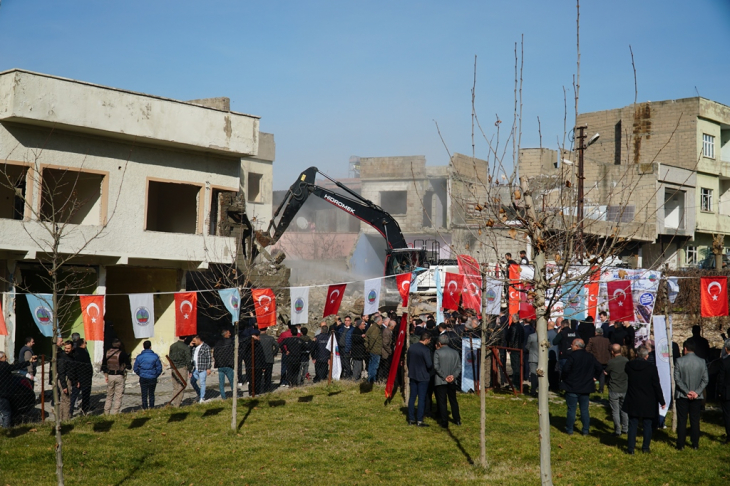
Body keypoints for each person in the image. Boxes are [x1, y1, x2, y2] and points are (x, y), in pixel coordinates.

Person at [622, 346, 665, 454]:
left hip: (633, 398)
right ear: (647, 356)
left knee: (633, 424)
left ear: (637, 355)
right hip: (648, 399)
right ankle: (645, 447)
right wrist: (662, 401)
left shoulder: (629, 366)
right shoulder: (651, 368)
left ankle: (630, 448)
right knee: (647, 424)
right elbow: (656, 385)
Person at [560, 339, 602, 435]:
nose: (571, 346)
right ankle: (585, 430)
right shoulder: (590, 356)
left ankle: (570, 429)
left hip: (572, 386)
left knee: (572, 409)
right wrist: (595, 377)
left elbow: (565, 370)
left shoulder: (572, 356)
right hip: (585, 386)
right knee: (584, 409)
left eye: (572, 344)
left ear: (576, 346)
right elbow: (599, 367)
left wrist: (565, 378)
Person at [674, 338, 709, 450]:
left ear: (685, 349)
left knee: (682, 420)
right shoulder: (702, 361)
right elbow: (705, 380)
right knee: (695, 420)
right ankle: (695, 444)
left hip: (683, 395)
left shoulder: (679, 361)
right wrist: (697, 392)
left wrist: (686, 391)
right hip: (696, 396)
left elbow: (677, 379)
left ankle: (681, 444)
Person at [0, 351, 37, 428]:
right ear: (1, 358)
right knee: (7, 413)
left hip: (3, 394)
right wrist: (28, 362)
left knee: (4, 412)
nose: (6, 358)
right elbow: (16, 367)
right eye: (4, 356)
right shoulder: (3, 366)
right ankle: (6, 429)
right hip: (4, 394)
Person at [434, 334, 461, 428]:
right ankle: (457, 419)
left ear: (439, 343)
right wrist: (453, 376)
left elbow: (436, 366)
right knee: (453, 400)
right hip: (452, 380)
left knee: (442, 401)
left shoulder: (437, 352)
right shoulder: (455, 352)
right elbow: (459, 367)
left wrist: (444, 376)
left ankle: (444, 421)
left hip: (441, 380)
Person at [407, 332, 433, 427]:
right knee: (421, 398)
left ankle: (411, 418)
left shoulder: (412, 347)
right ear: (426, 339)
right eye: (429, 340)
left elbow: (408, 361)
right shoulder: (425, 350)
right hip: (423, 376)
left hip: (413, 375)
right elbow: (429, 364)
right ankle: (419, 420)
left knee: (412, 397)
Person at [101, 338, 131, 415]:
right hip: (119, 376)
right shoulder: (122, 353)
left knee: (109, 395)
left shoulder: (107, 353)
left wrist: (106, 375)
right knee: (118, 395)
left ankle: (106, 412)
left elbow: (103, 366)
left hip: (110, 375)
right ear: (119, 345)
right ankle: (115, 413)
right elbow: (129, 366)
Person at [605, 343, 629, 436]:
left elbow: (606, 372)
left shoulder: (611, 362)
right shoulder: (626, 361)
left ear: (612, 352)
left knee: (615, 411)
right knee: (624, 410)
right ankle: (625, 428)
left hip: (614, 388)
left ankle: (617, 430)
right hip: (624, 388)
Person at [133, 340, 162, 410]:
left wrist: (140, 373)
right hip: (152, 377)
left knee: (144, 394)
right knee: (151, 393)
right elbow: (159, 368)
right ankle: (152, 407)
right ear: (150, 347)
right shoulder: (155, 356)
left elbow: (135, 368)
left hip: (143, 377)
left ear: (143, 347)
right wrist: (155, 374)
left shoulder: (139, 357)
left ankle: (145, 407)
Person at [70, 339, 93, 415]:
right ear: (82, 344)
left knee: (73, 395)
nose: (86, 344)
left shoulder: (74, 352)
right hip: (85, 378)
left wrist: (75, 378)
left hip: (76, 377)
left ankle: (70, 411)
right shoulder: (84, 353)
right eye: (85, 343)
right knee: (85, 395)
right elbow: (88, 366)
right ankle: (84, 410)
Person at [586, 328, 611, 393]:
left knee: (593, 374)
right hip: (604, 360)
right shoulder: (607, 340)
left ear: (595, 333)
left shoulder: (592, 339)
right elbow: (610, 348)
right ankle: (601, 389)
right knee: (602, 375)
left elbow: (587, 349)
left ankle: (593, 388)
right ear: (602, 333)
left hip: (595, 360)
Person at [168, 335, 191, 407]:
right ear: (185, 338)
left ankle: (174, 402)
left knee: (175, 387)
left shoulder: (172, 346)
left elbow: (170, 357)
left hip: (174, 368)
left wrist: (172, 366)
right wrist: (190, 370)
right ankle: (177, 404)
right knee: (182, 386)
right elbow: (188, 360)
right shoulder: (185, 347)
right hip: (182, 368)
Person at [214, 329, 235, 399]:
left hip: (220, 365)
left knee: (221, 383)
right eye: (229, 333)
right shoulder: (230, 342)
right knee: (232, 381)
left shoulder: (218, 343)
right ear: (225, 334)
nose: (230, 334)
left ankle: (223, 397)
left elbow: (215, 354)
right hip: (228, 365)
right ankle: (235, 395)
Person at [190, 335, 212, 403]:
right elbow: (189, 354)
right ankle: (199, 393)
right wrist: (190, 346)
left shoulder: (206, 347)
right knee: (192, 381)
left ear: (199, 339)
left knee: (202, 383)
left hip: (202, 368)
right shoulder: (194, 347)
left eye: (194, 341)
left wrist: (208, 368)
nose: (194, 342)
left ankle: (202, 398)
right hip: (195, 368)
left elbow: (209, 358)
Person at [57, 340, 74, 422]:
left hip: (68, 379)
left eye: (68, 348)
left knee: (64, 400)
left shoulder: (71, 356)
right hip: (64, 379)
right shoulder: (62, 357)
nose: (67, 350)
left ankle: (61, 418)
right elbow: (61, 372)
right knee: (66, 400)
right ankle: (65, 419)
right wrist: (64, 386)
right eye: (65, 348)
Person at [717, 339, 730, 444]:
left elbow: (721, 379)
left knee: (727, 415)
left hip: (727, 392)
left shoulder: (724, 362)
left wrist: (719, 391)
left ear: (726, 349)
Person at [365, 315, 385, 383]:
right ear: (378, 321)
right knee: (374, 366)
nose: (382, 322)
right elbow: (373, 339)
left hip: (373, 350)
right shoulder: (376, 329)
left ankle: (370, 379)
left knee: (371, 365)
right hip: (375, 350)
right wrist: (369, 348)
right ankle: (372, 380)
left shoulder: (373, 327)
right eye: (381, 320)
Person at [378, 318, 394, 382]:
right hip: (385, 353)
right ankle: (382, 379)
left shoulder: (388, 331)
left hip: (385, 352)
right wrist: (390, 351)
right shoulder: (387, 332)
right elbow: (385, 343)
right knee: (384, 367)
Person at [526, 327, 539, 397]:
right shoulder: (546, 337)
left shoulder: (531, 336)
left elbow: (528, 346)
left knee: (533, 375)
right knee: (540, 375)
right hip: (541, 358)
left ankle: (533, 390)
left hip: (533, 358)